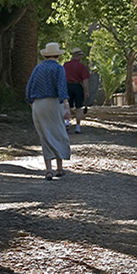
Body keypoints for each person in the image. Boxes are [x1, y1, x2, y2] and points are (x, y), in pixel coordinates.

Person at [25, 42, 71, 180]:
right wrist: (66, 105)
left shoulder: (38, 68)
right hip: (54, 103)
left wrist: (30, 102)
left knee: (44, 134)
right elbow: (62, 88)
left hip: (38, 104)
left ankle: (48, 169)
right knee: (58, 132)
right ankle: (59, 167)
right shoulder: (59, 68)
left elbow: (29, 87)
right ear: (57, 55)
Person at [63, 47, 91, 133]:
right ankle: (78, 127)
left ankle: (67, 122)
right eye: (80, 55)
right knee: (79, 107)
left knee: (67, 105)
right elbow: (85, 80)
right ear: (78, 56)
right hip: (77, 86)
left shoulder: (65, 65)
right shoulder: (81, 66)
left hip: (67, 86)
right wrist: (87, 91)